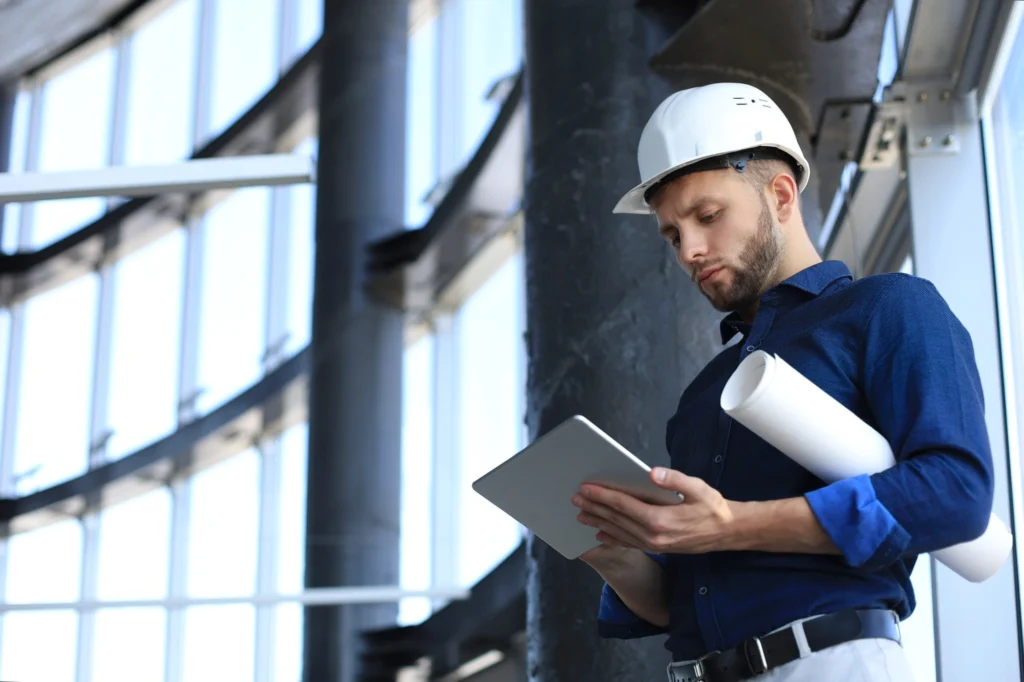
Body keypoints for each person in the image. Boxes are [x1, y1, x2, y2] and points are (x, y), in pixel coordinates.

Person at [569, 81, 995, 682]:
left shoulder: (888, 308)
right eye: (671, 234)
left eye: (707, 216)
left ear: (782, 194)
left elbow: (956, 494)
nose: (689, 249)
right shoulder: (702, 398)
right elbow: (677, 604)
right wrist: (615, 552)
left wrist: (733, 525)